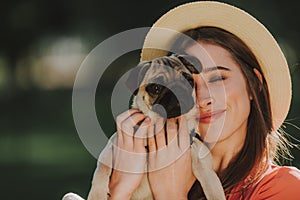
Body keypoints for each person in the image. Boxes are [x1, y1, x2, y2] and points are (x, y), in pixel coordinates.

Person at [108, 1, 300, 199]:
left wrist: (170, 193)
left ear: (254, 85)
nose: (202, 99)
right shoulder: (140, 176)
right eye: (188, 83)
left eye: (218, 78)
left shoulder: (284, 188)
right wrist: (119, 191)